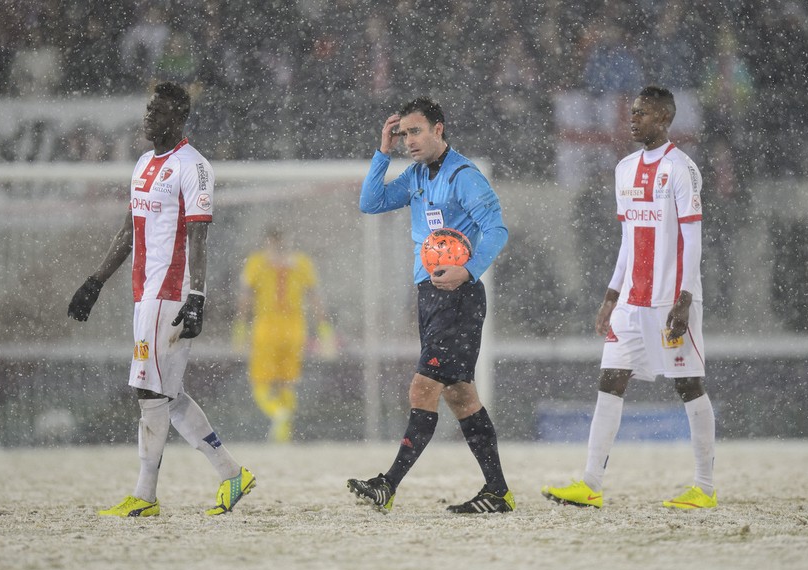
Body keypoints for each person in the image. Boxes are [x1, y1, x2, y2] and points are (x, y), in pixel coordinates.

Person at [68, 81, 255, 517]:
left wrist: (197, 296)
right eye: (148, 108)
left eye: (159, 110)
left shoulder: (194, 166)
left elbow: (199, 234)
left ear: (179, 117)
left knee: (148, 390)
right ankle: (232, 474)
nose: (148, 116)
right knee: (166, 393)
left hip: (170, 293)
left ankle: (146, 494)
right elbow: (130, 230)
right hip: (144, 293)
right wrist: (95, 281)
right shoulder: (141, 164)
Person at [542, 86, 717, 510]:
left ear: (664, 118)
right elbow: (628, 239)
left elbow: (692, 239)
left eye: (641, 113)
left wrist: (685, 297)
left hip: (669, 301)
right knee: (610, 380)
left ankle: (704, 487)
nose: (632, 118)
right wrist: (610, 296)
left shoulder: (681, 168)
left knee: (689, 385)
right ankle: (590, 483)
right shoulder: (624, 169)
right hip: (631, 304)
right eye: (632, 112)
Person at [347, 96, 513, 514]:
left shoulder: (465, 176)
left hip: (459, 295)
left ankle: (389, 483)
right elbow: (370, 202)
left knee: (424, 386)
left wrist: (470, 270)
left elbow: (497, 229)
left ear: (439, 129)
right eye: (403, 134)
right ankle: (497, 491)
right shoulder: (417, 175)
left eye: (415, 131)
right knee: (460, 396)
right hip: (430, 295)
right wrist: (381, 153)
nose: (409, 140)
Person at [233, 227, 334, 443]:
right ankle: (283, 433)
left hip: (266, 327)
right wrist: (325, 329)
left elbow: (246, 298)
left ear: (267, 242)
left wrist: (240, 327)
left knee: (260, 381)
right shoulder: (302, 263)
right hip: (295, 329)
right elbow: (316, 298)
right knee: (287, 381)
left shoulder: (256, 263)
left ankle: (277, 413)